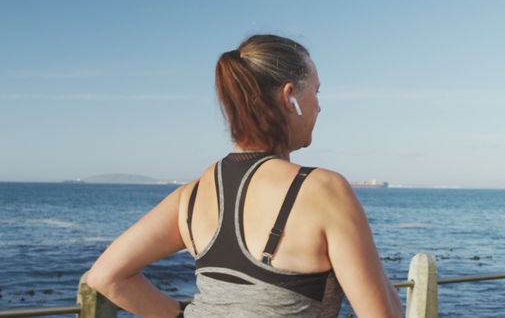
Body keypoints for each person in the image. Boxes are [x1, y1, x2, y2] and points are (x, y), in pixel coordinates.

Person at [86, 34, 403, 317]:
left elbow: (105, 276)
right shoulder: (322, 190)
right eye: (316, 92)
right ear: (289, 97)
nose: (319, 107)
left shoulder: (193, 194)